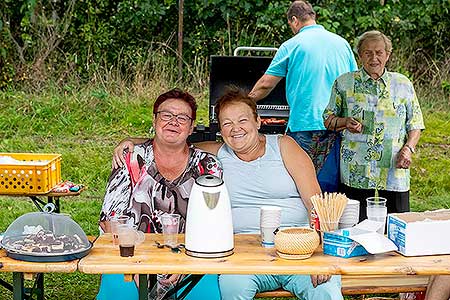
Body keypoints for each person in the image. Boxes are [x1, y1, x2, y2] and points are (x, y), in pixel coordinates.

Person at [113, 87, 343, 300]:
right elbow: (171, 143)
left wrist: (321, 258)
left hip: (298, 251)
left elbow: (318, 205)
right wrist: (130, 141)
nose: (236, 129)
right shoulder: (215, 154)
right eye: (227, 123)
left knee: (325, 291)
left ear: (258, 121)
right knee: (233, 288)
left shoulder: (284, 146)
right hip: (242, 257)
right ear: (220, 131)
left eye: (243, 120)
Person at [98, 88, 222, 300]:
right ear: (155, 121)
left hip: (191, 256)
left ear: (191, 127)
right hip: (129, 254)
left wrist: (184, 261)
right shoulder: (131, 159)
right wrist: (137, 267)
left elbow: (214, 223)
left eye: (182, 117)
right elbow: (111, 220)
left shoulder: (207, 165)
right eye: (166, 115)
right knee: (120, 290)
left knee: (205, 292)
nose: (173, 122)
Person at [248, 0, 357, 193]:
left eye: (291, 25)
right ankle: (327, 221)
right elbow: (355, 84)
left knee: (300, 183)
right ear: (313, 17)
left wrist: (244, 103)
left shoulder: (292, 44)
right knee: (329, 188)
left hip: (304, 125)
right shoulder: (342, 44)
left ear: (294, 20)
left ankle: (303, 222)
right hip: (337, 125)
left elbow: (266, 84)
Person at [323, 30, 425, 221]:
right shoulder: (344, 83)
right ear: (360, 55)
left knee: (398, 224)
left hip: (394, 167)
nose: (374, 58)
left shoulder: (402, 84)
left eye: (379, 52)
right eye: (368, 52)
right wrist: (345, 122)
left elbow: (415, 123)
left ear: (388, 54)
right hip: (356, 168)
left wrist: (409, 148)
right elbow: (328, 119)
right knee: (354, 225)